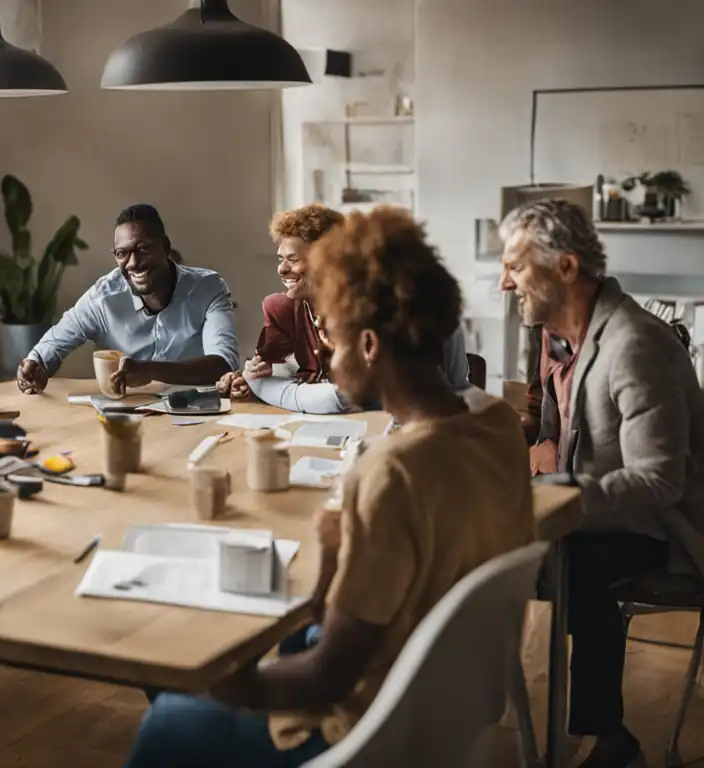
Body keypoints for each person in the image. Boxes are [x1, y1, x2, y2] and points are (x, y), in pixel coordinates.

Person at [124, 208, 534, 767]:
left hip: (367, 734)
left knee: (170, 712)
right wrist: (337, 557)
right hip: (448, 713)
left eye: (334, 338)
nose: (327, 352)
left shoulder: (390, 474)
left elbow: (326, 676)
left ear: (368, 346)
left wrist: (209, 677)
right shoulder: (497, 428)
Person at [499, 199, 704, 768]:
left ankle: (611, 740)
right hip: (601, 513)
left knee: (560, 564)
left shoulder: (634, 344)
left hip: (662, 529)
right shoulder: (556, 333)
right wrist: (531, 445)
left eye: (514, 265)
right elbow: (549, 426)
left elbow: (660, 480)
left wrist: (559, 490)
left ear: (566, 267)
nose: (502, 281)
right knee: (501, 553)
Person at [217, 204, 472, 413]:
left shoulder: (380, 313)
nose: (281, 269)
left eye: (293, 259)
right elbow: (272, 369)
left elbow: (338, 398)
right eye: (281, 259)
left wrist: (263, 385)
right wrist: (250, 379)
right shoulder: (285, 308)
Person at [16, 204, 240, 394]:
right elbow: (55, 341)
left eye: (142, 249)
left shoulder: (208, 287)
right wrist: (36, 366)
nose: (133, 262)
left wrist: (148, 370)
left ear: (165, 247)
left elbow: (223, 364)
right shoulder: (103, 298)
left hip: (198, 414)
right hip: (127, 413)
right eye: (122, 254)